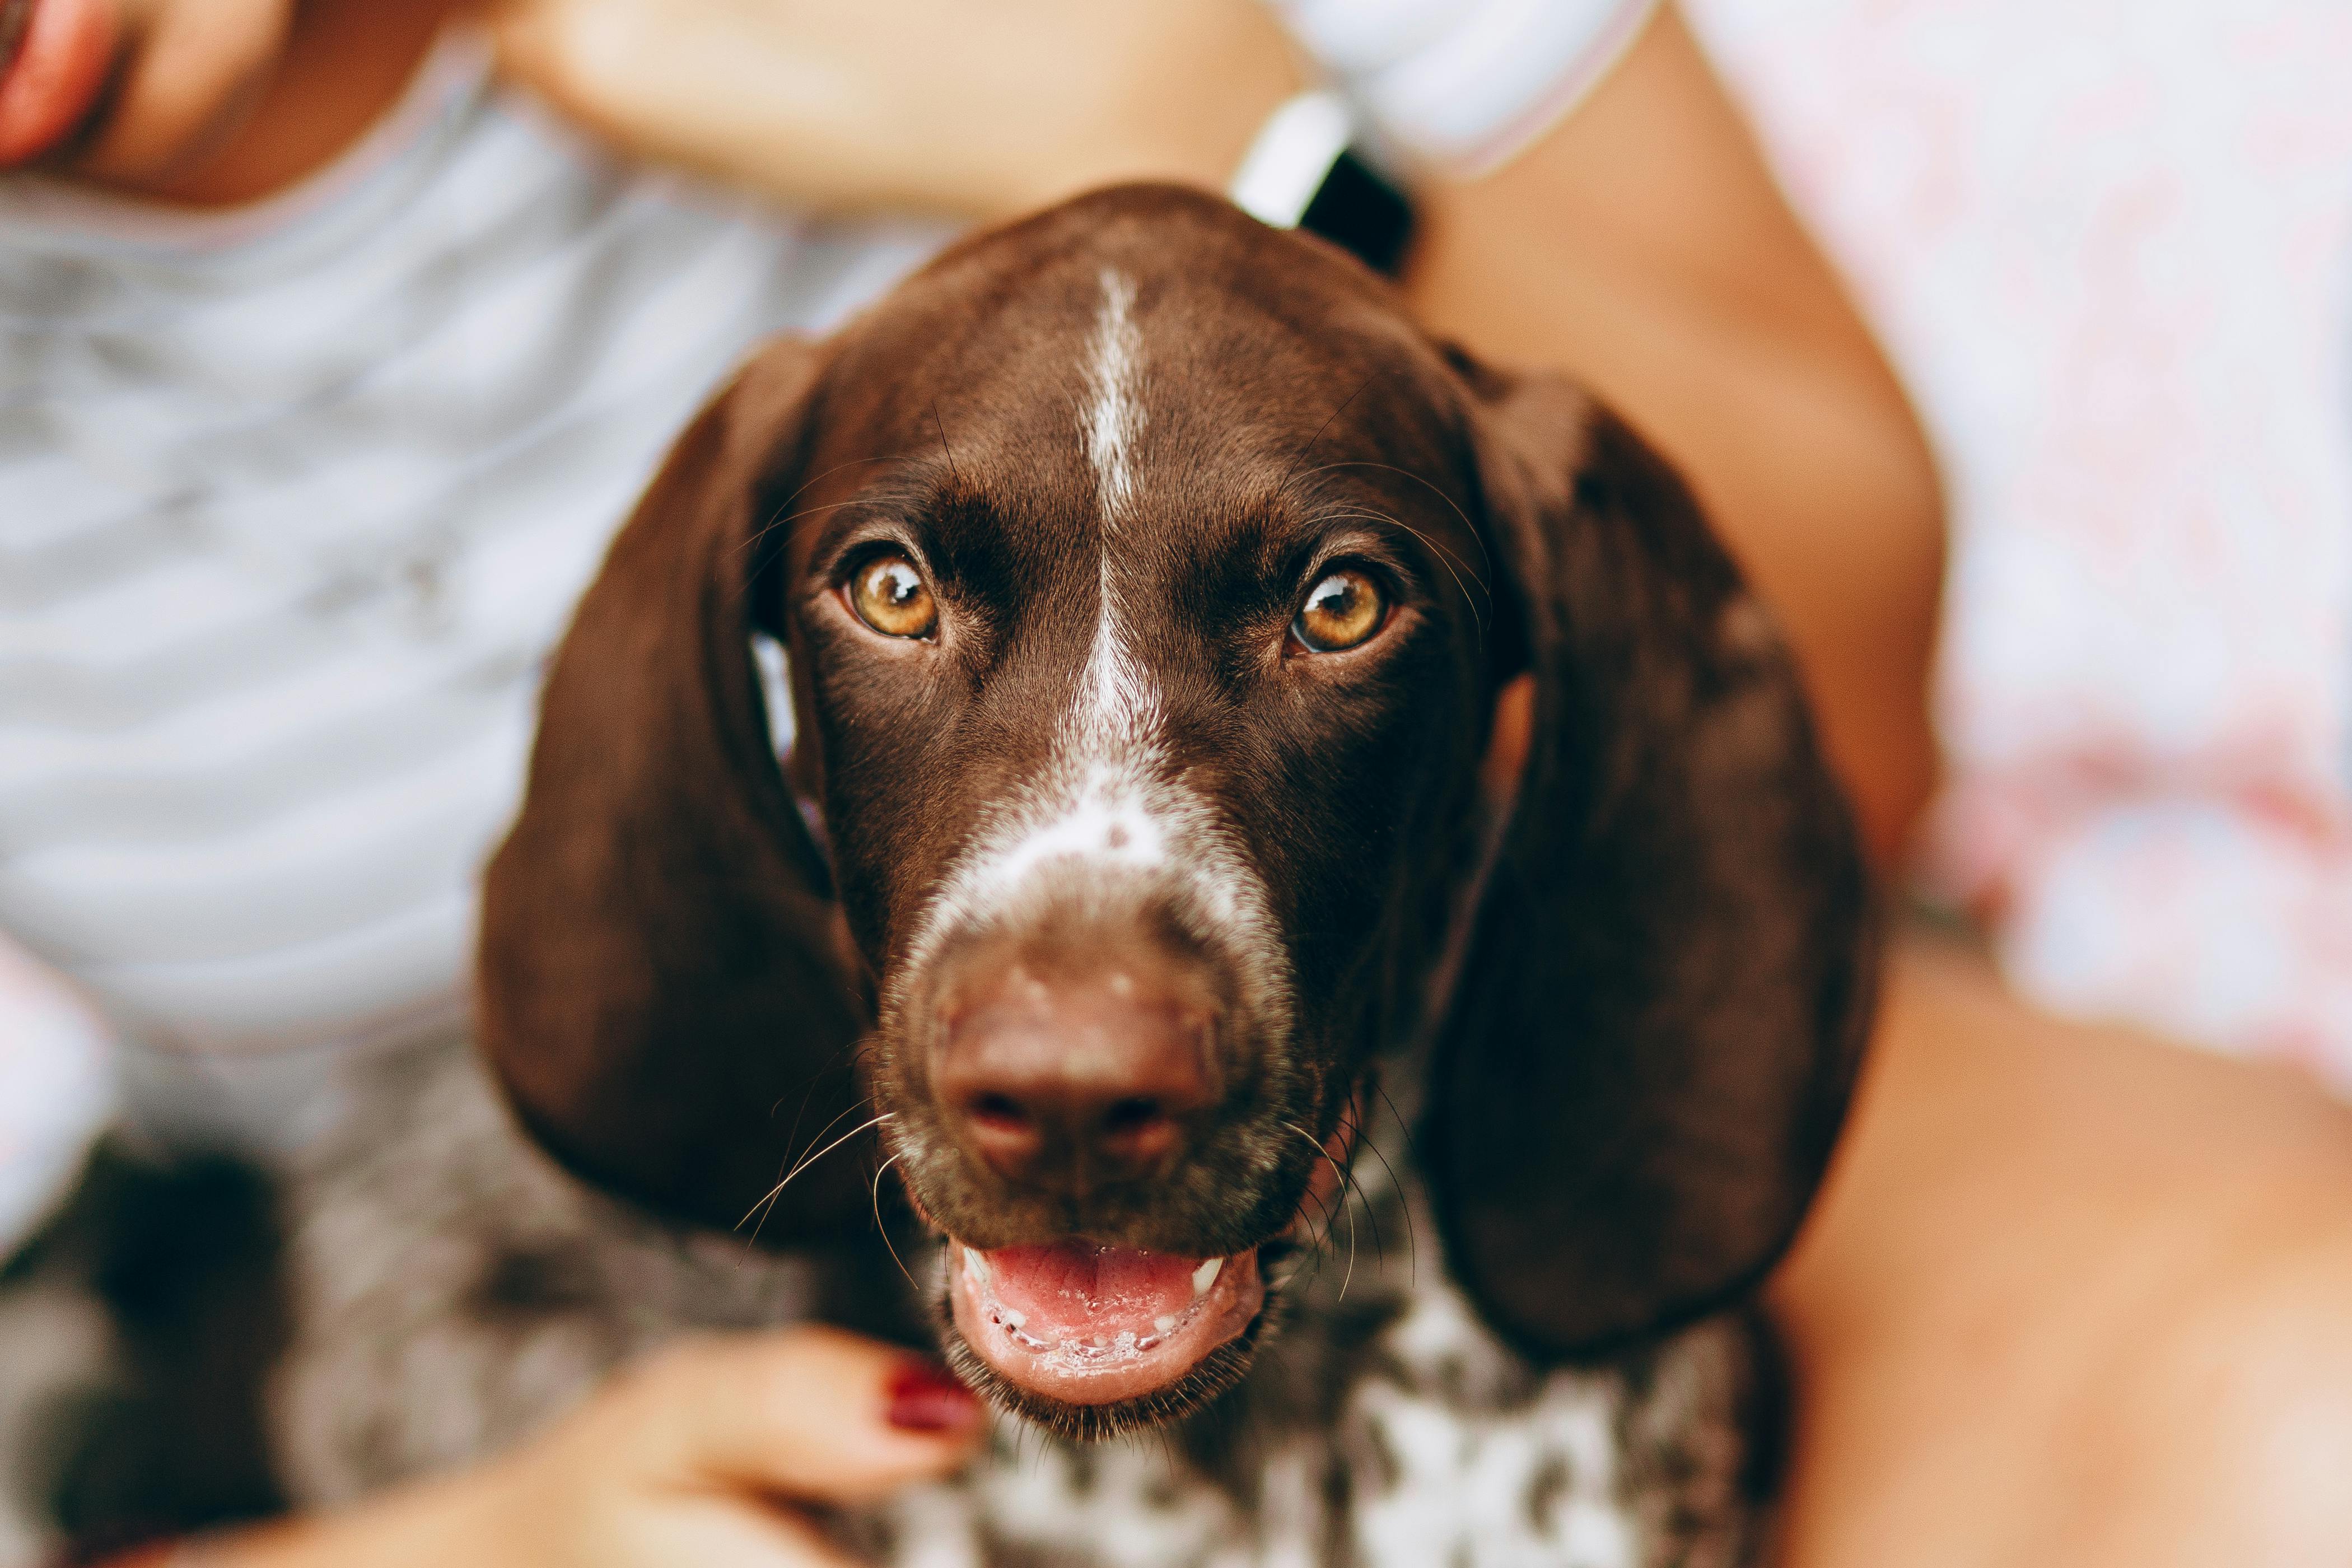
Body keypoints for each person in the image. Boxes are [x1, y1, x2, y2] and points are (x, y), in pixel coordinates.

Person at [1, 2, 2346, 1565]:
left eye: (1332, 596)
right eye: (897, 596)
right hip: (582, 1230)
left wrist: (1215, 102)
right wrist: (440, 1547)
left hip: (1579, 984)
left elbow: (1852, 709)